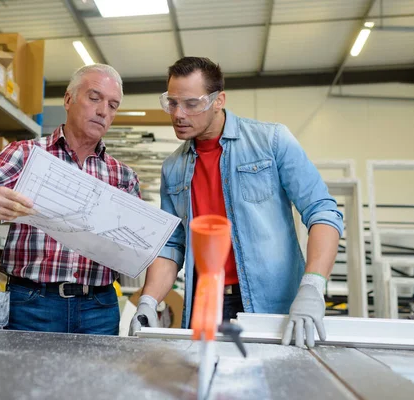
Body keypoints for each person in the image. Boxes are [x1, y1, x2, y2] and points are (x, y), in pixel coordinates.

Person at [129, 57, 343, 348]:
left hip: (272, 306)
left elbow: (323, 212)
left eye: (191, 104)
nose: (178, 114)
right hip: (205, 306)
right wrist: (148, 301)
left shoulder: (272, 141)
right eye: (172, 102)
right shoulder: (172, 168)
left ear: (219, 100)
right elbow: (172, 246)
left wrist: (313, 287)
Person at [0, 64, 140, 335]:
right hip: (32, 304)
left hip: (99, 308)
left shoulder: (122, 176)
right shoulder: (26, 155)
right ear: (68, 99)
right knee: (24, 379)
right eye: (94, 98)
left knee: (95, 379)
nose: (103, 111)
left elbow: (135, 249)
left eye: (113, 105)